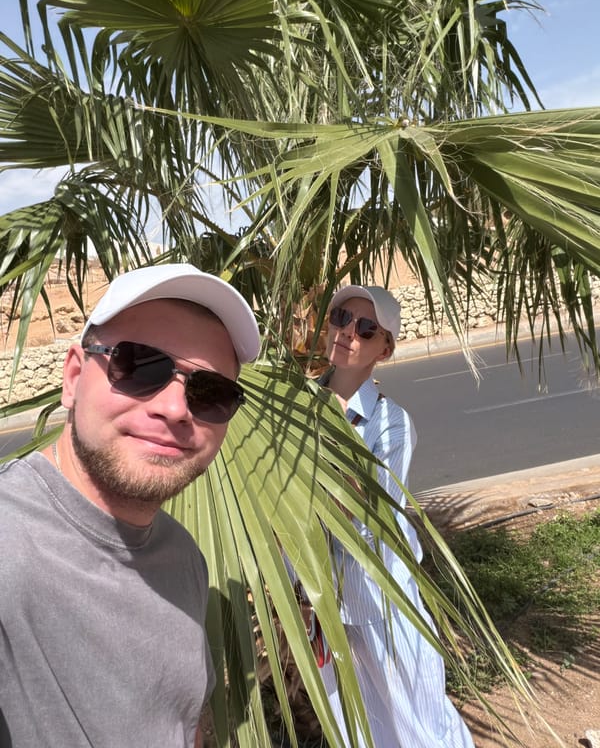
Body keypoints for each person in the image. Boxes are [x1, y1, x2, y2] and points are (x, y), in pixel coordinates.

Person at [0, 263, 260, 748]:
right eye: (140, 365)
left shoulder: (184, 559)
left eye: (211, 392)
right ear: (74, 376)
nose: (176, 408)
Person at [318, 285, 474, 748]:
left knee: (420, 722)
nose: (348, 332)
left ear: (384, 348)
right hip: (322, 602)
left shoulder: (391, 424)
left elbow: (360, 511)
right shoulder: (296, 407)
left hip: (382, 600)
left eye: (366, 328)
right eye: (342, 317)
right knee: (353, 726)